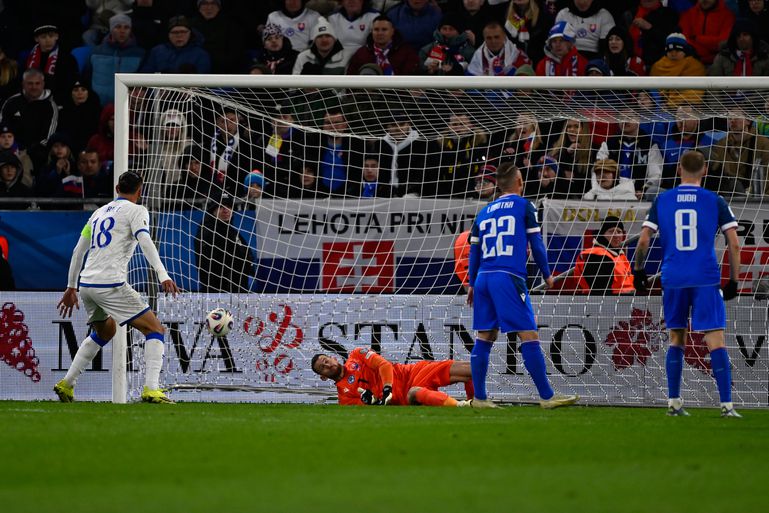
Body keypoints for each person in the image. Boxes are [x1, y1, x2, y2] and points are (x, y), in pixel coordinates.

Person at [54, 171, 180, 404]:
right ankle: (152, 389)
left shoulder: (98, 213)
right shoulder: (137, 211)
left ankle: (67, 383)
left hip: (87, 285)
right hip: (110, 284)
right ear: (140, 191)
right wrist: (163, 274)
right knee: (155, 329)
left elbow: (78, 251)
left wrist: (71, 287)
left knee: (106, 331)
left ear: (116, 188)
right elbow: (145, 241)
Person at [633, 150, 742, 418]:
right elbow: (734, 243)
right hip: (705, 277)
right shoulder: (715, 200)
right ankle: (727, 406)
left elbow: (644, 240)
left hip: (673, 277)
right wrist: (734, 280)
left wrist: (638, 271)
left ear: (679, 169)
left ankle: (673, 402)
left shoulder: (662, 199)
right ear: (704, 170)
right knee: (715, 339)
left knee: (676, 338)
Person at [466, 162, 578, 408]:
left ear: (498, 185)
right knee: (529, 334)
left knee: (485, 336)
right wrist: (547, 274)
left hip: (483, 277)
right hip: (507, 276)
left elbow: (473, 251)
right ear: (519, 182)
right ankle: (547, 397)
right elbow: (536, 243)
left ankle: (480, 398)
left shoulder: (484, 211)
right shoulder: (524, 205)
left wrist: (472, 283)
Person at [311, 347, 474, 407]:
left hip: (412, 372)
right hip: (405, 397)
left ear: (333, 357)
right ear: (323, 377)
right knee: (416, 392)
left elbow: (384, 365)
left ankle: (474, 401)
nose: (327, 365)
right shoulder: (344, 399)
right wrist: (372, 402)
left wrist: (387, 388)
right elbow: (373, 407)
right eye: (322, 368)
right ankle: (461, 406)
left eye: (326, 360)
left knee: (471, 369)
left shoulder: (356, 355)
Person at [195, 193, 255, 293]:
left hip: (237, 291)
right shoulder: (206, 231)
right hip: (218, 293)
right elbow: (207, 265)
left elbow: (246, 255)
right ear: (214, 210)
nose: (226, 210)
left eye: (229, 206)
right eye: (221, 206)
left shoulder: (232, 231)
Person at [88, 14, 146, 106]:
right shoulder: (96, 51)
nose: (122, 31)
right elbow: (86, 77)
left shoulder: (139, 54)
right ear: (111, 29)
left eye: (126, 27)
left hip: (127, 106)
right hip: (98, 105)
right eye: (118, 27)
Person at [573, 216, 635, 295]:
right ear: (603, 234)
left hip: (624, 299)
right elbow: (600, 292)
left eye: (619, 232)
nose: (616, 235)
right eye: (611, 231)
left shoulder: (617, 255)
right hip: (610, 301)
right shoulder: (597, 256)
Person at [346, 15, 420, 75]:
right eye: (376, 29)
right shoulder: (361, 53)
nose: (380, 33)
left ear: (392, 31)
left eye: (384, 29)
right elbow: (350, 78)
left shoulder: (407, 53)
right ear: (372, 32)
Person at [140, 16, 212, 74]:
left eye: (183, 32)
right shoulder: (156, 51)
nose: (179, 35)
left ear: (190, 33)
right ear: (168, 34)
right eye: (175, 32)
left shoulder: (201, 54)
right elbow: (146, 73)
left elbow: (203, 78)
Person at [679, 0, 736, 66]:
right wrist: (705, 50)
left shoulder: (728, 16)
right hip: (691, 60)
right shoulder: (689, 13)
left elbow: (722, 43)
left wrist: (696, 38)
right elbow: (683, 39)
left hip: (718, 62)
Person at [467, 20, 532, 76]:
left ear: (504, 37)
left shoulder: (518, 56)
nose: (493, 41)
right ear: (484, 39)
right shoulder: (478, 57)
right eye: (489, 38)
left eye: (497, 37)